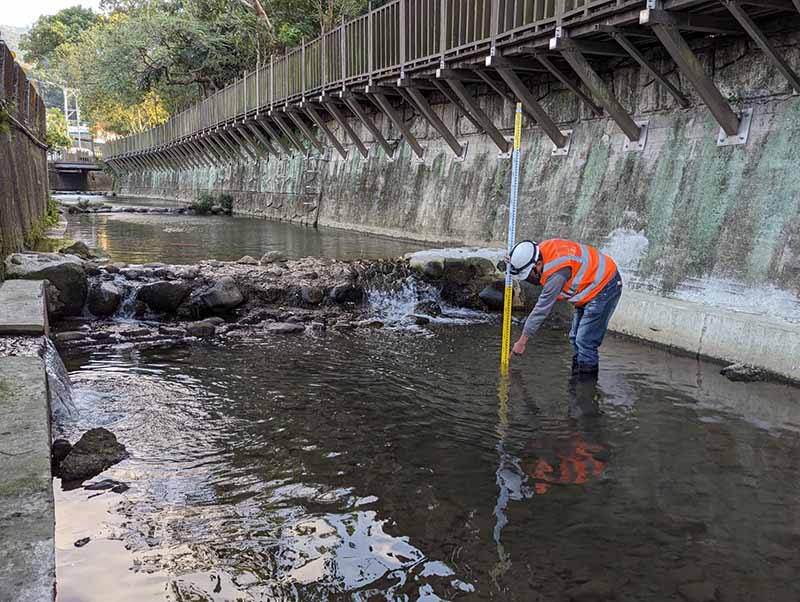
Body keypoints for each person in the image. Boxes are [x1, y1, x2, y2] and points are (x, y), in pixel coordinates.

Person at [505, 239, 622, 376]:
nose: (529, 277)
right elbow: (538, 276)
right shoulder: (540, 251)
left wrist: (521, 342)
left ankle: (586, 386)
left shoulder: (557, 274)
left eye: (528, 273)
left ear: (538, 264)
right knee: (574, 338)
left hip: (605, 286)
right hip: (589, 286)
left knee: (585, 341)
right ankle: (577, 380)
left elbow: (541, 310)